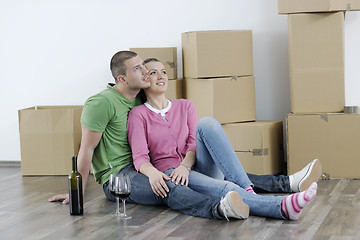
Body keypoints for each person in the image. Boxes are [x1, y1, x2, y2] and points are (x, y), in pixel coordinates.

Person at [48, 51, 321, 220]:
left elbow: (189, 140)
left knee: (214, 151)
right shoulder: (104, 104)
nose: (146, 73)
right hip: (121, 174)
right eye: (140, 70)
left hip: (157, 166)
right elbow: (86, 150)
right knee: (173, 186)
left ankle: (278, 185)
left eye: (149, 69)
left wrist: (184, 162)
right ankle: (225, 208)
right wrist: (77, 194)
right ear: (121, 79)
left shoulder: (140, 101)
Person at [126, 58, 318, 220]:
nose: (161, 76)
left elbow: (193, 142)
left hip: (195, 166)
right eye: (153, 73)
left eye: (163, 72)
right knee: (226, 187)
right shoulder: (138, 115)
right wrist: (153, 174)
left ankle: (246, 190)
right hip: (172, 174)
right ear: (144, 80)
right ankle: (282, 207)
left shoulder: (185, 106)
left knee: (207, 123)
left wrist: (185, 165)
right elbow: (140, 158)